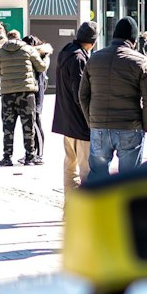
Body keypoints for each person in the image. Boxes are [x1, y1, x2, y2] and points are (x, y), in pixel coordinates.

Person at [80, 16, 147, 177]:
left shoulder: (94, 58)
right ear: (133, 40)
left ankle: (98, 202)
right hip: (129, 126)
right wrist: (145, 126)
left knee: (98, 177)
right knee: (129, 180)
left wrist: (92, 121)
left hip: (99, 126)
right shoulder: (140, 61)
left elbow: (83, 95)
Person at [50, 22, 97, 186]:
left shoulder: (66, 52)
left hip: (66, 122)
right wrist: (91, 119)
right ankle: (84, 209)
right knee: (86, 172)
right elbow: (81, 95)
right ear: (93, 42)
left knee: (70, 169)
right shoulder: (79, 58)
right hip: (80, 125)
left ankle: (69, 209)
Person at [0, 29, 45, 166]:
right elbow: (41, 67)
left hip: (7, 94)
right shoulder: (28, 49)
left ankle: (7, 157)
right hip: (26, 94)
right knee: (28, 126)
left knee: (8, 127)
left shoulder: (0, 52)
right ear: (19, 38)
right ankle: (30, 157)